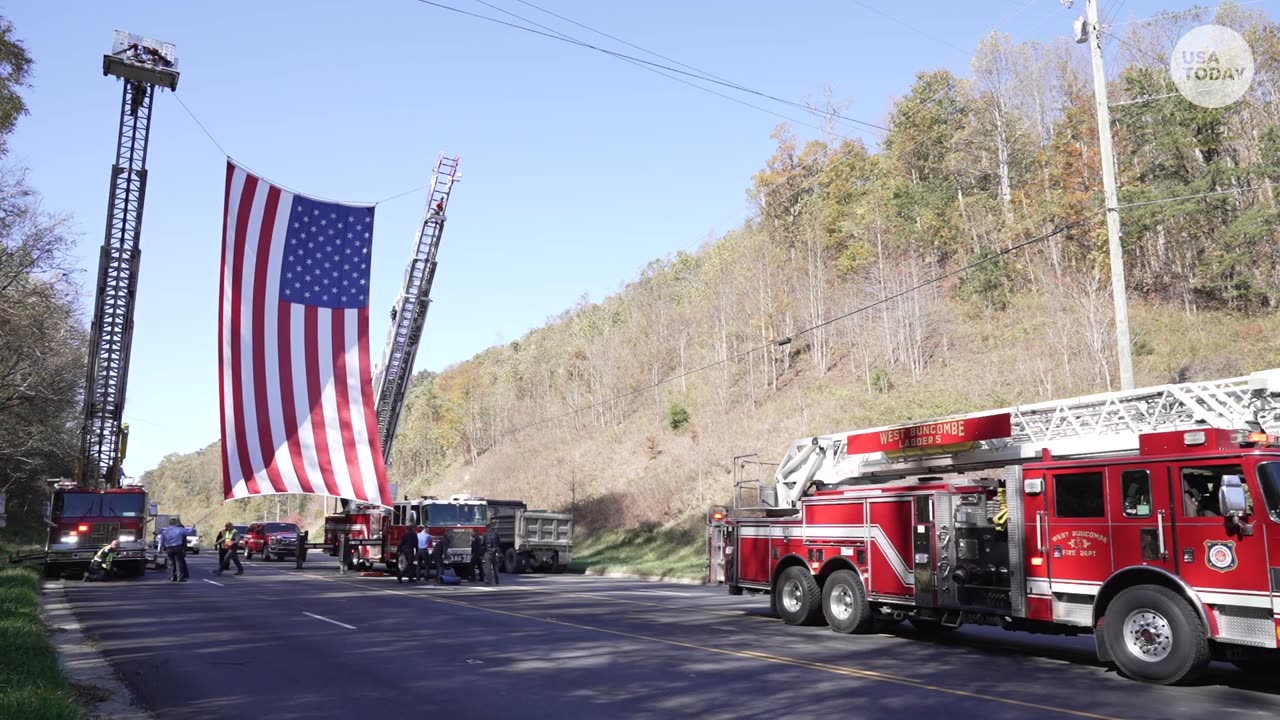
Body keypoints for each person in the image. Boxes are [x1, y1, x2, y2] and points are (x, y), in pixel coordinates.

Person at [159, 517, 195, 582]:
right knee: (179, 562)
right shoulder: (180, 529)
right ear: (176, 523)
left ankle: (172, 577)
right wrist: (193, 528)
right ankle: (180, 577)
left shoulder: (165, 531)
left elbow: (162, 541)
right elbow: (189, 533)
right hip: (178, 547)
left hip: (169, 548)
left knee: (172, 563)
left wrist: (162, 548)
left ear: (169, 524)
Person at [484, 520, 502, 585]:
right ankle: (497, 581)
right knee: (495, 567)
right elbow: (499, 543)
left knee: (488, 568)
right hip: (495, 552)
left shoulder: (485, 535)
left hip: (488, 552)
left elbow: (483, 544)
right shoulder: (496, 534)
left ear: (487, 528)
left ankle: (489, 581)